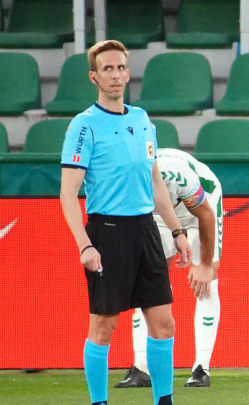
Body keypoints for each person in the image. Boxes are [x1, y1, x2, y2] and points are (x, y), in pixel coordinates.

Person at [59, 40, 202, 405]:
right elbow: (68, 194)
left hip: (146, 230)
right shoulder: (83, 126)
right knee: (104, 325)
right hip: (106, 233)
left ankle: (163, 400)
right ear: (94, 76)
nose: (116, 74)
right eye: (107, 68)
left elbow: (156, 184)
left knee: (164, 322)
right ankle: (99, 402)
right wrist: (84, 245)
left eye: (121, 67)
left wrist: (178, 231)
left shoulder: (141, 119)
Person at [115, 148, 223, 389]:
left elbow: (205, 216)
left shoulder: (180, 177)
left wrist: (204, 264)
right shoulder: (125, 183)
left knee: (206, 282)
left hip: (199, 207)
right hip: (159, 218)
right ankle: (141, 367)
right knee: (146, 283)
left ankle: (201, 368)